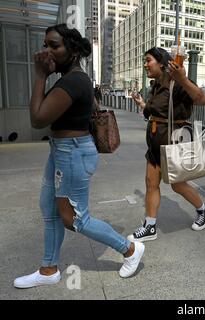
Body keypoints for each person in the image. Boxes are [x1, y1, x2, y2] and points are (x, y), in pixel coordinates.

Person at [14, 24, 144, 289]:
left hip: (72, 152)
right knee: (49, 209)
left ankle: (130, 249)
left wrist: (39, 75)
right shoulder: (72, 78)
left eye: (54, 45)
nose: (47, 51)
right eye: (45, 45)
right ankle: (49, 269)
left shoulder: (73, 80)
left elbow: (37, 119)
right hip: (63, 150)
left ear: (71, 50)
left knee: (75, 219)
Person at [128, 47, 205, 242]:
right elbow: (156, 111)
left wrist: (182, 78)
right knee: (151, 183)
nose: (145, 64)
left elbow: (202, 100)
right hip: (156, 144)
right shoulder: (156, 85)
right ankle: (150, 226)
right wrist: (141, 103)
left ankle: (204, 210)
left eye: (148, 60)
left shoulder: (177, 82)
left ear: (161, 63)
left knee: (178, 185)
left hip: (174, 141)